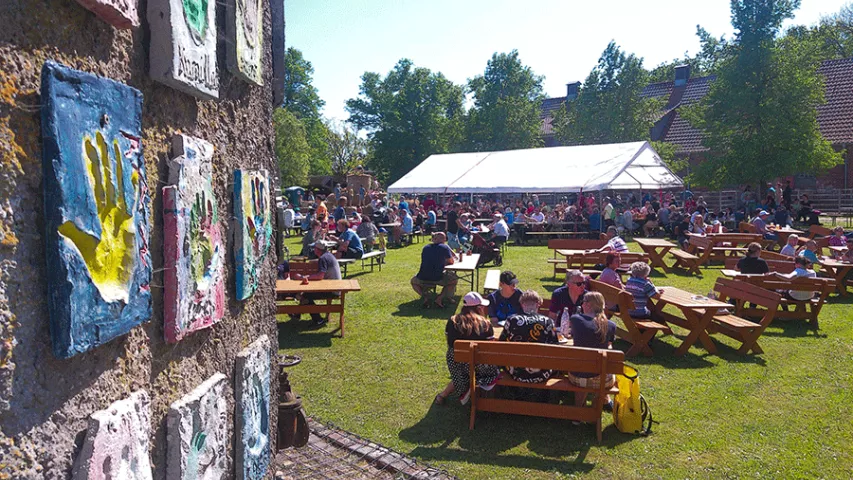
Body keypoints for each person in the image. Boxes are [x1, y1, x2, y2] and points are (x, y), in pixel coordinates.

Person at [434, 292, 499, 405]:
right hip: (481, 367)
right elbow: (490, 348)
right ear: (479, 308)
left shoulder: (452, 321)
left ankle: (443, 395)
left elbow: (450, 344)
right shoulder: (486, 324)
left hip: (458, 365)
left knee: (465, 365)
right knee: (494, 367)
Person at [567, 291, 617, 412]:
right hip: (602, 379)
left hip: (577, 377)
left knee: (582, 370)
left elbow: (570, 335)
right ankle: (604, 402)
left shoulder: (576, 319)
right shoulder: (611, 325)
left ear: (588, 305)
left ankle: (578, 412)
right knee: (605, 370)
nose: (581, 304)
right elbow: (609, 346)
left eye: (583, 302)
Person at [498, 290, 559, 383]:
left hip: (516, 373)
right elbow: (555, 346)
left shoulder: (512, 320)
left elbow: (501, 343)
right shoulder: (548, 321)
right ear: (538, 304)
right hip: (542, 373)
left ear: (522, 304)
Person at [290, 242, 341, 326]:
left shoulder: (323, 258)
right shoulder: (329, 255)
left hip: (332, 290)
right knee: (306, 294)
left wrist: (303, 277)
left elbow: (320, 276)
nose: (313, 250)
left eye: (314, 248)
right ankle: (297, 314)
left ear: (318, 250)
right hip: (335, 287)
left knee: (305, 295)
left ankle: (318, 319)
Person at [411, 232, 458, 308]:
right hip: (437, 277)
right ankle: (440, 298)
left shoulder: (425, 247)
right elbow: (451, 261)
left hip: (422, 277)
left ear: (433, 239)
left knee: (413, 281)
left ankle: (425, 296)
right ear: (444, 239)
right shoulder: (444, 248)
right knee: (454, 280)